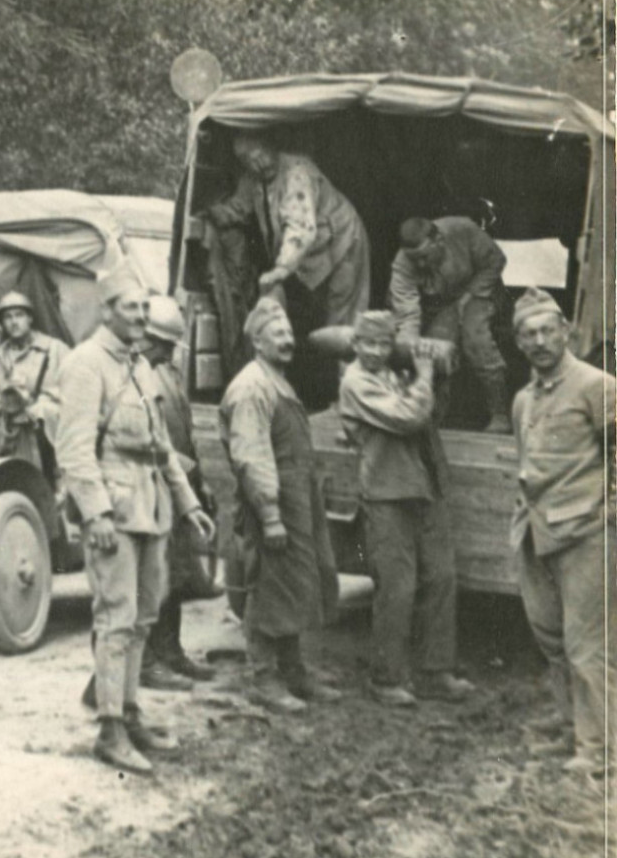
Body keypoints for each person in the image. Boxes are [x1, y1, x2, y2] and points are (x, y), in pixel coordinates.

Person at [58, 270, 215, 774]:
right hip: (115, 511)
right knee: (116, 619)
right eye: (132, 309)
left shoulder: (140, 367)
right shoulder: (86, 364)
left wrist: (189, 504)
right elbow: (75, 448)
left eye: (146, 310)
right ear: (106, 311)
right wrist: (96, 513)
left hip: (152, 509)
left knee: (145, 616)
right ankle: (109, 729)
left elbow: (162, 447)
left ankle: (131, 713)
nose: (141, 318)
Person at [338, 311, 474, 707]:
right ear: (356, 345)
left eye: (384, 344)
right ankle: (385, 678)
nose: (378, 351)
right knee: (396, 589)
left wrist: (432, 377)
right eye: (369, 344)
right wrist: (425, 374)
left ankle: (435, 672)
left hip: (422, 488)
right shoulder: (356, 382)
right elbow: (410, 417)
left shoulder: (394, 374)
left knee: (441, 577)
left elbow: (431, 413)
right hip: (386, 495)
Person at [510, 288, 615, 780]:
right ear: (518, 342)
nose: (540, 341)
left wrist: (610, 514)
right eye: (528, 334)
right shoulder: (522, 400)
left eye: (548, 330)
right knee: (551, 638)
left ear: (566, 332)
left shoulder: (598, 386)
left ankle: (596, 746)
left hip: (585, 534)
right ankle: (573, 726)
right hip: (536, 533)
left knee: (585, 643)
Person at [220, 297, 341, 714]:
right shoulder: (252, 387)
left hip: (295, 497)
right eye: (277, 334)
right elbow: (251, 456)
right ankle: (263, 678)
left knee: (292, 586)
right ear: (257, 340)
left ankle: (293, 671)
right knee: (268, 588)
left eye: (289, 333)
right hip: (271, 502)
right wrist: (270, 515)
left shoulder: (277, 381)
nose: (288, 340)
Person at [206, 132, 370, 330]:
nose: (259, 164)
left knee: (341, 317)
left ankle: (345, 359)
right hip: (314, 254)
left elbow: (299, 228)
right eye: (248, 160)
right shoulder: (253, 177)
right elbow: (240, 208)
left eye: (261, 156)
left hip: (343, 242)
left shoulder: (296, 173)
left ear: (271, 145)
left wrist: (282, 268)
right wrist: (211, 214)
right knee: (316, 316)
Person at [137, 295, 218, 689]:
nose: (164, 351)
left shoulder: (168, 374)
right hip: (151, 489)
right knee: (155, 578)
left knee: (179, 573)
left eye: (168, 346)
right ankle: (148, 661)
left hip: (178, 486)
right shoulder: (135, 376)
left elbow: (184, 430)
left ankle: (171, 651)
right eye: (160, 344)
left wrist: (197, 484)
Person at [388, 216, 513, 433]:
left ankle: (500, 413)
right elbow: (407, 312)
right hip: (446, 305)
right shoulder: (403, 265)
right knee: (435, 346)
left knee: (476, 337)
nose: (420, 264)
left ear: (439, 241)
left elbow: (495, 261)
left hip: (481, 290)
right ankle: (432, 417)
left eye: (424, 257)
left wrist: (470, 294)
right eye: (414, 259)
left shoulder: (463, 230)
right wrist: (409, 346)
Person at [0, 290, 70, 441]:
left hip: (50, 429)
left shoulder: (54, 348)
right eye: (7, 317)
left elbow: (74, 388)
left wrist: (44, 400)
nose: (13, 322)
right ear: (2, 324)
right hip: (13, 429)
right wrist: (3, 405)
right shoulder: (1, 356)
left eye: (19, 315)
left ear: (30, 318)